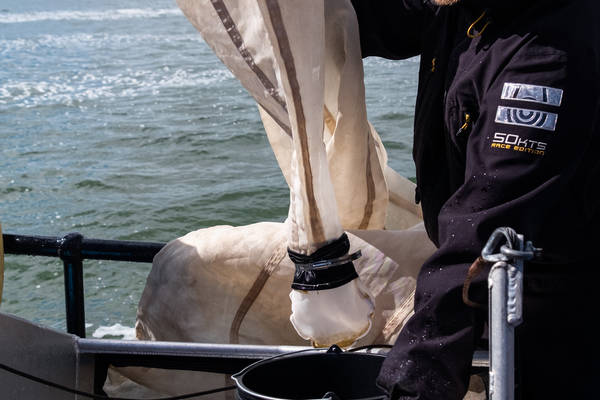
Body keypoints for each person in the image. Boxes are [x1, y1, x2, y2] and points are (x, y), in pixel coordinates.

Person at [349, 0, 600, 399]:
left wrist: (416, 377)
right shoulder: (458, 6)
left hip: (563, 310)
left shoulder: (552, 50)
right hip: (506, 287)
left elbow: (485, 226)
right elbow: (379, 22)